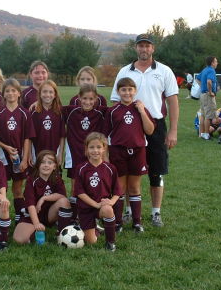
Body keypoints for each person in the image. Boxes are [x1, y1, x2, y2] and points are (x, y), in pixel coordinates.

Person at [110, 33, 179, 228]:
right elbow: (115, 101)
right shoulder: (125, 71)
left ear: (153, 48)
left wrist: (172, 131)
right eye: (140, 46)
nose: (144, 49)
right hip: (128, 127)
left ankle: (156, 213)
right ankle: (129, 212)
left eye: (147, 46)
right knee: (127, 172)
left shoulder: (164, 71)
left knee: (156, 172)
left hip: (155, 125)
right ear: (136, 48)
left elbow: (173, 101)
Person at [104, 77, 155, 233]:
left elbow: (150, 130)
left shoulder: (141, 109)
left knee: (134, 187)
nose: (127, 92)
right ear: (118, 92)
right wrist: (105, 156)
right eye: (123, 90)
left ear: (135, 91)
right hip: (118, 151)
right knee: (120, 188)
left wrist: (141, 111)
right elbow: (104, 136)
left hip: (138, 151)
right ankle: (118, 222)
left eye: (130, 89)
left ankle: (137, 222)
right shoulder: (112, 111)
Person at [0, 78, 35, 224]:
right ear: (3, 94)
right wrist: (5, 147)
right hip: (2, 157)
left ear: (19, 93)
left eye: (13, 90)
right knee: (1, 186)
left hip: (19, 157)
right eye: (7, 91)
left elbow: (27, 138)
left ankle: (19, 215)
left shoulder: (24, 113)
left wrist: (25, 159)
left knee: (18, 188)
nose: (10, 93)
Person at [62, 84, 106, 218]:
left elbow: (119, 109)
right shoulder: (70, 111)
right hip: (75, 155)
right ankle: (75, 217)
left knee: (93, 186)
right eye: (85, 98)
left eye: (91, 99)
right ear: (79, 98)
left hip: (93, 156)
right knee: (76, 188)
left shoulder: (101, 112)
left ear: (96, 99)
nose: (88, 102)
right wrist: (37, 102)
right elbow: (51, 107)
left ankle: (93, 216)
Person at [74, 132, 122, 251]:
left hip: (102, 206)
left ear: (104, 149)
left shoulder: (110, 168)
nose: (95, 150)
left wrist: (110, 202)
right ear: (86, 149)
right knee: (91, 242)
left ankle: (110, 243)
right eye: (92, 147)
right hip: (86, 208)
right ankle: (93, 228)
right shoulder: (81, 168)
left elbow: (117, 192)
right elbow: (79, 192)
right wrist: (96, 204)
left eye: (99, 147)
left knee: (108, 209)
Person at [13, 150, 72, 244]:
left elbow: (61, 195)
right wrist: (36, 223)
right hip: (32, 214)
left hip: (49, 214)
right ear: (38, 165)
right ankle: (36, 231)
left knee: (64, 201)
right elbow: (31, 205)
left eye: (50, 162)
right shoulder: (31, 181)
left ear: (54, 166)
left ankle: (61, 233)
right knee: (19, 239)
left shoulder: (57, 178)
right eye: (43, 162)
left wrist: (44, 198)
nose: (46, 165)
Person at [30, 80, 66, 166]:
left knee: (54, 177)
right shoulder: (33, 111)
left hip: (54, 151)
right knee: (37, 176)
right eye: (45, 91)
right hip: (37, 151)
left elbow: (62, 135)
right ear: (39, 94)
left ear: (55, 95)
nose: (47, 94)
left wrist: (60, 153)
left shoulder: (59, 111)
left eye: (51, 92)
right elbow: (29, 136)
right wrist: (29, 154)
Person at [199, 56, 218, 140]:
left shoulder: (204, 69)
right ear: (212, 63)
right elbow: (209, 81)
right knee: (208, 116)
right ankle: (207, 134)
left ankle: (202, 133)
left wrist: (202, 87)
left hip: (202, 95)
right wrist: (210, 92)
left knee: (203, 114)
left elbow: (198, 79)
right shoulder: (211, 70)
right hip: (208, 95)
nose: (217, 63)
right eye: (216, 61)